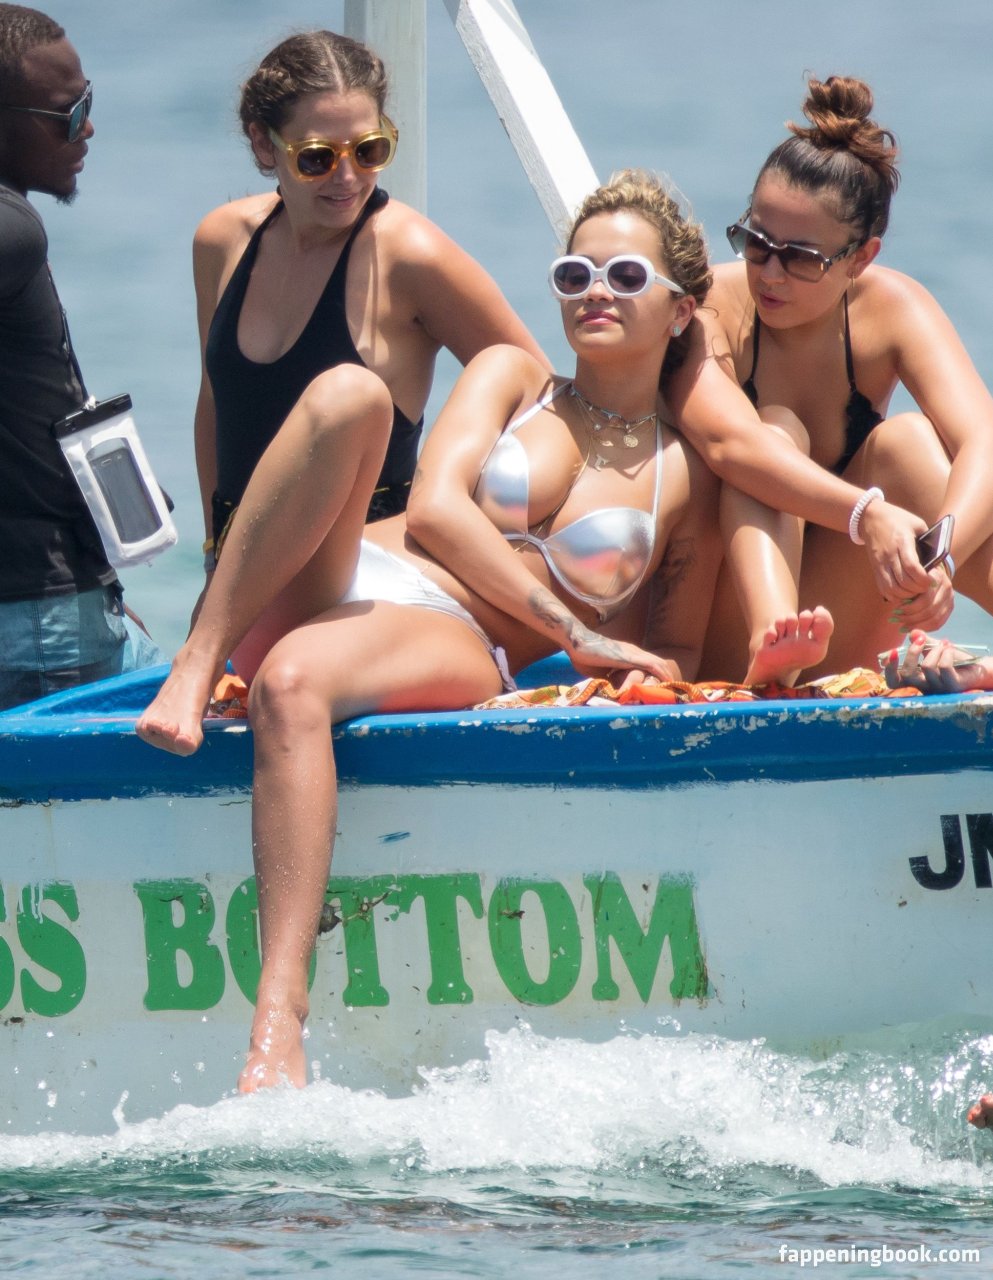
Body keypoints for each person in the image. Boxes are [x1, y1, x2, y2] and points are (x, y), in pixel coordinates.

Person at [137, 169, 729, 1090]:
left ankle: (278, 1022)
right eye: (574, 275)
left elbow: (677, 652)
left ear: (680, 309)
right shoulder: (511, 378)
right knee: (350, 393)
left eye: (624, 277)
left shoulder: (687, 476)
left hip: (451, 632)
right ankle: (198, 655)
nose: (595, 294)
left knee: (291, 685)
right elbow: (435, 513)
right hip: (338, 575)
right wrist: (569, 626)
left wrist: (669, 669)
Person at [189, 29, 546, 656]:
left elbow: (539, 403)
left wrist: (453, 496)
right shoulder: (222, 239)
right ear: (263, 144)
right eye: (317, 158)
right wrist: (217, 555)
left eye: (370, 150)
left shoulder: (413, 256)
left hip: (367, 584)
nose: (348, 176)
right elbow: (216, 406)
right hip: (245, 590)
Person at [667, 75, 993, 685]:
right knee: (774, 433)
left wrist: (940, 558)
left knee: (908, 443)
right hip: (724, 635)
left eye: (800, 258)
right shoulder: (707, 308)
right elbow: (730, 446)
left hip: (837, 622)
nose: (770, 273)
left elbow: (984, 440)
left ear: (861, 258)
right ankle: (773, 655)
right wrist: (867, 514)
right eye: (755, 242)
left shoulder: (894, 308)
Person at [0, 3, 162, 710]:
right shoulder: (11, 228)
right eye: (68, 114)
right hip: (39, 621)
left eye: (87, 102)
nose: (87, 128)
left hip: (67, 601)